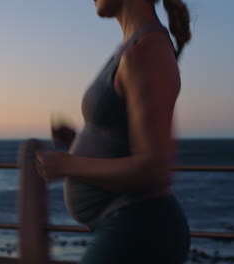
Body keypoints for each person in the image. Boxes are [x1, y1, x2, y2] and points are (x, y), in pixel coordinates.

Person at [36, 0, 192, 263]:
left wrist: (68, 164)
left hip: (139, 229)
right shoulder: (133, 46)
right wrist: (77, 141)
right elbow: (131, 141)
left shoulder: (147, 50)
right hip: (128, 225)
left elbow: (153, 170)